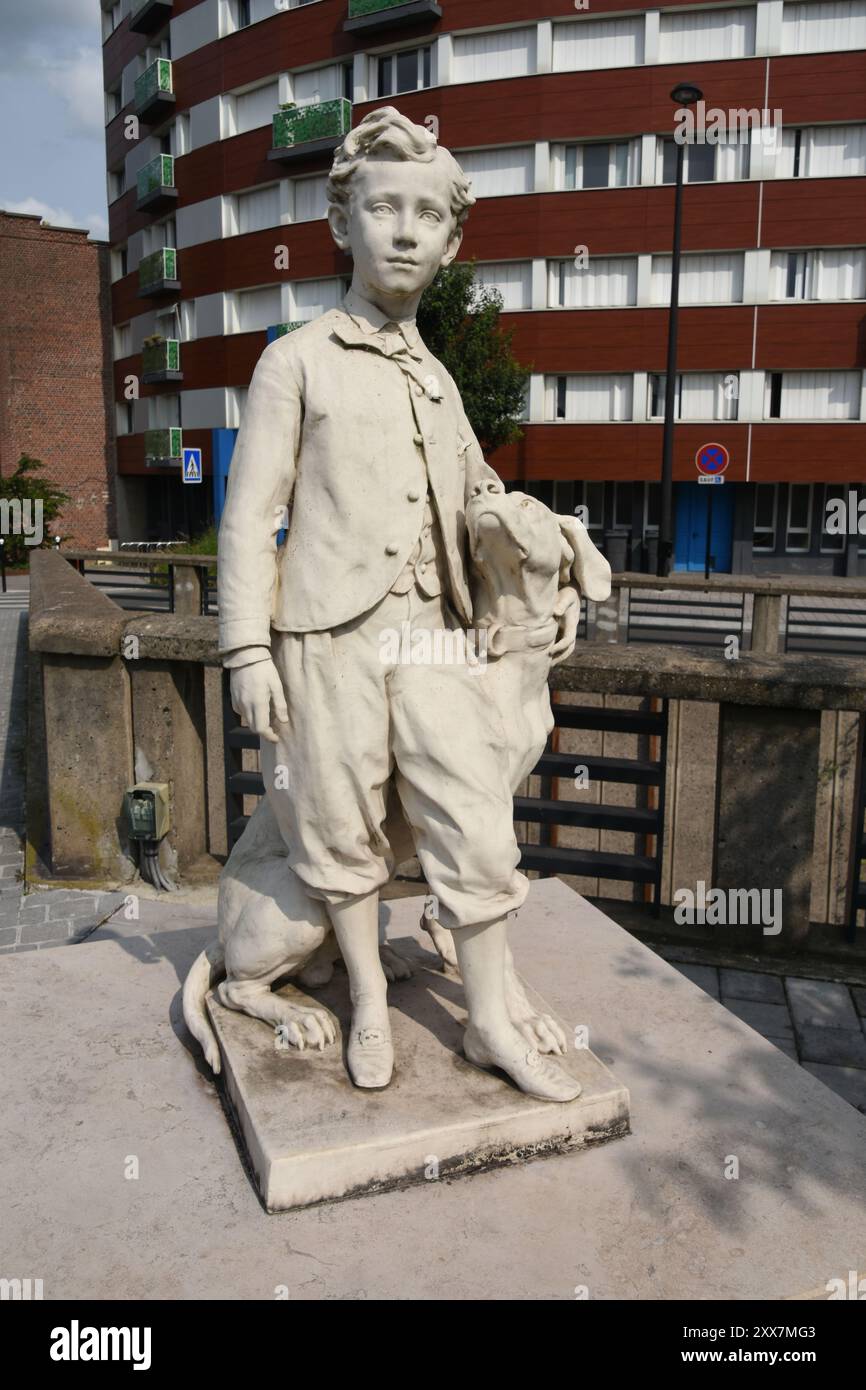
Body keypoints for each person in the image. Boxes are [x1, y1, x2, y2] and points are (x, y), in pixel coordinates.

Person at [218, 107, 580, 1101]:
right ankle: (369, 998)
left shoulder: (438, 380)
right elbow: (251, 518)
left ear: (452, 240)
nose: (406, 231)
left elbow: (474, 500)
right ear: (342, 222)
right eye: (384, 208)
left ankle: (491, 1020)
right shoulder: (295, 359)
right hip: (324, 638)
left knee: (470, 813)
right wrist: (245, 649)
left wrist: (528, 537)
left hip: (430, 636)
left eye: (428, 215)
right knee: (337, 827)